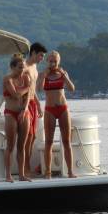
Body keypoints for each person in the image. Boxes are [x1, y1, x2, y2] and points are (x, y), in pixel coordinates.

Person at [36, 50, 76, 178]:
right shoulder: (43, 74)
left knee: (66, 141)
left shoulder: (63, 73)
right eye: (51, 61)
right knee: (49, 141)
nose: (53, 63)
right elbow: (39, 89)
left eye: (55, 61)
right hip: (50, 109)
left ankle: (70, 171)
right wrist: (43, 75)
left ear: (58, 62)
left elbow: (71, 89)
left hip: (63, 108)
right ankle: (48, 171)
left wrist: (64, 77)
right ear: (47, 61)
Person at [2, 55, 32, 182]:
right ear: (12, 67)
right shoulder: (7, 79)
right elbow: (15, 94)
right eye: (20, 67)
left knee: (22, 145)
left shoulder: (25, 77)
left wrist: (24, 109)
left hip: (23, 112)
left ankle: (21, 174)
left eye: (24, 67)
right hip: (10, 113)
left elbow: (28, 97)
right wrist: (28, 87)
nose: (22, 69)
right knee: (10, 145)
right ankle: (8, 175)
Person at [23, 42, 47, 176]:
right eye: (41, 55)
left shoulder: (35, 67)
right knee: (26, 137)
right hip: (24, 103)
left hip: (32, 103)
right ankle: (24, 168)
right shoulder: (24, 66)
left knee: (32, 137)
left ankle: (27, 166)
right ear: (33, 53)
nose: (42, 58)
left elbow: (33, 89)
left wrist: (38, 104)